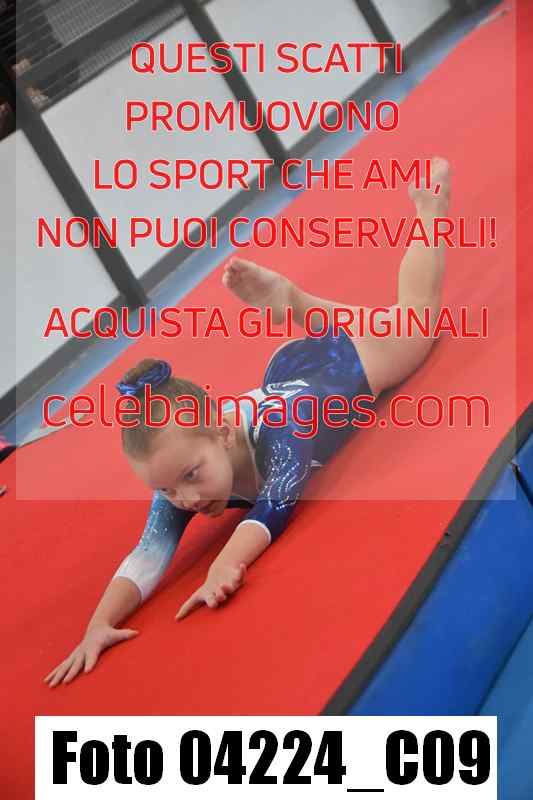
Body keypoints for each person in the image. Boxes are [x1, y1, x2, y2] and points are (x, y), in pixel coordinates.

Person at [44, 156, 451, 687]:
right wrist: (97, 625)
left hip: (344, 368)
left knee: (416, 319)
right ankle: (298, 306)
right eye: (166, 489)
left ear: (222, 431)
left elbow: (276, 503)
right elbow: (147, 552)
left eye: (189, 477)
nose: (185, 500)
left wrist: (225, 563)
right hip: (289, 372)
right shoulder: (182, 470)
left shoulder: (283, 431)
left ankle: (424, 211)